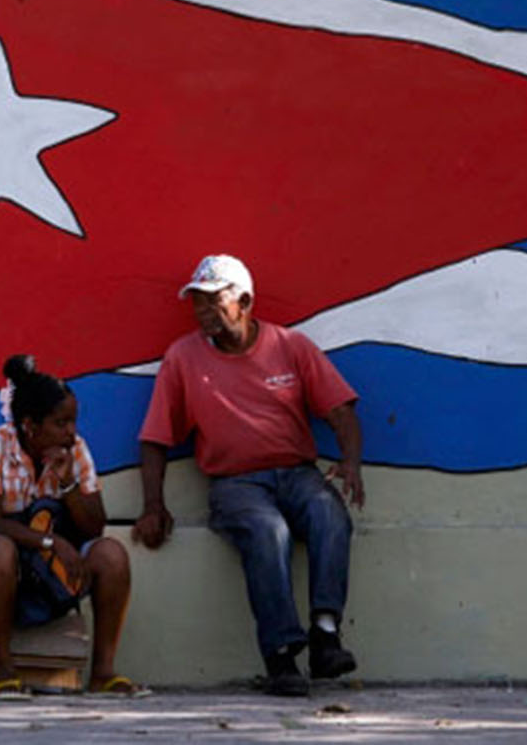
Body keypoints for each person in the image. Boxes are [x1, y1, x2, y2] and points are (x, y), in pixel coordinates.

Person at [133, 254, 364, 696]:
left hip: (297, 472)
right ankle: (279, 658)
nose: (202, 313)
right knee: (266, 529)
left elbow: (341, 409)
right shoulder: (183, 358)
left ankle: (325, 634)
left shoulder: (290, 347)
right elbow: (155, 438)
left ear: (245, 302)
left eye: (212, 301)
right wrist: (153, 505)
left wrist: (350, 461)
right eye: (196, 303)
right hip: (235, 483)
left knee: (328, 512)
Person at [0, 355, 145, 699]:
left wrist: (68, 486)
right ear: (31, 426)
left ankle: (103, 674)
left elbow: (95, 529)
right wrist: (51, 543)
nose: (71, 432)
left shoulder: (74, 451)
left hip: (44, 577)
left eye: (73, 422)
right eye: (60, 423)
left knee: (112, 555)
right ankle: (3, 674)